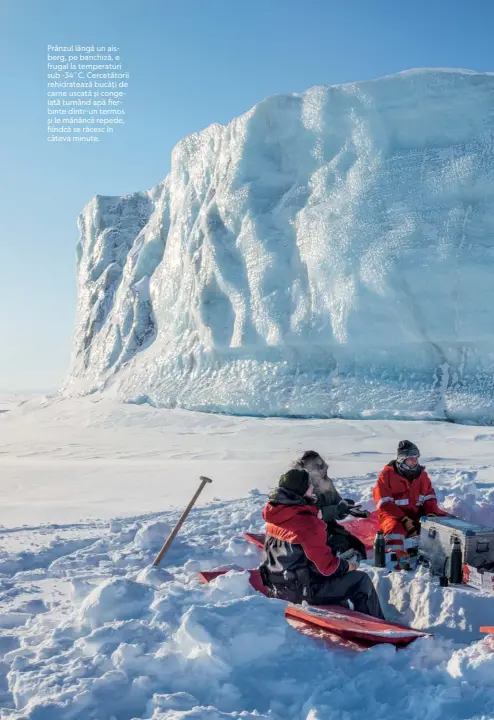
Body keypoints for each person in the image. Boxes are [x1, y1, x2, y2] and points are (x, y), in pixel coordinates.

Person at [259, 467, 384, 619]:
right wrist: (348, 565)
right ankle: (378, 627)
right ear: (301, 491)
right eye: (309, 486)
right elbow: (326, 568)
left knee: (338, 582)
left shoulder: (277, 515)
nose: (312, 488)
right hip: (301, 592)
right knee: (360, 580)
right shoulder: (307, 523)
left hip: (278, 587)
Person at [373, 440, 449, 551]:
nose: (415, 461)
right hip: (393, 516)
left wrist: (431, 515)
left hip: (415, 514)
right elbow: (384, 504)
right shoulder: (387, 475)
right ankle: (394, 557)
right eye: (411, 458)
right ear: (402, 459)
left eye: (416, 458)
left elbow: (429, 497)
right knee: (395, 530)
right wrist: (404, 520)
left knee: (444, 525)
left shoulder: (422, 475)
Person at [293, 450, 369, 561]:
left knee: (358, 547)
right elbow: (311, 514)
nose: (320, 470)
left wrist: (347, 508)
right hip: (308, 531)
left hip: (328, 528)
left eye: (320, 466)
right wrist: (338, 509)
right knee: (339, 547)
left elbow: (337, 504)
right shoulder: (300, 486)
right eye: (315, 467)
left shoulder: (326, 482)